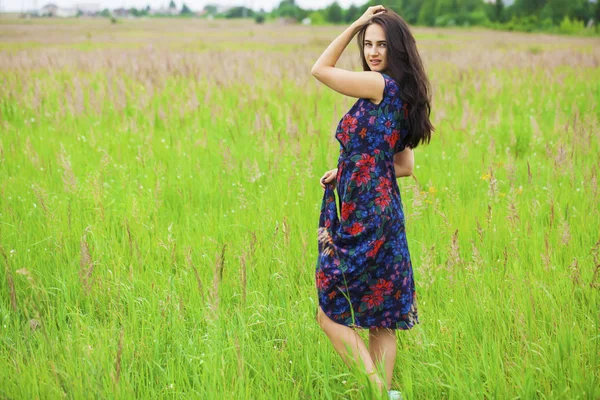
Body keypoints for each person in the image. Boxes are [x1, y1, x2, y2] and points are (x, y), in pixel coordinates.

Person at [311, 5, 433, 400]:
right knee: (382, 318)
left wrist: (356, 24)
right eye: (368, 43)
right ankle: (383, 395)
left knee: (329, 311)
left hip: (366, 216)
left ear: (396, 49)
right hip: (386, 213)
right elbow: (403, 165)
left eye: (381, 44)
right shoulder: (403, 93)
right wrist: (346, 171)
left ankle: (381, 394)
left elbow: (320, 69)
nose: (373, 51)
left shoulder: (380, 85)